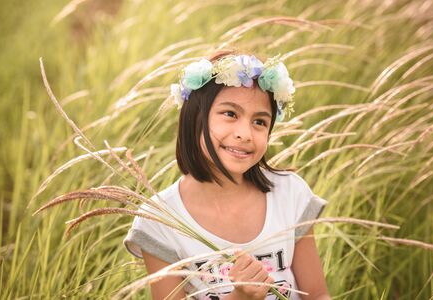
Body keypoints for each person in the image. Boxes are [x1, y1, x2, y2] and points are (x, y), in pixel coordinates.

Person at [124, 50, 331, 300]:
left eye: (260, 122)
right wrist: (240, 297)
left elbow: (317, 295)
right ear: (195, 118)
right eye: (230, 114)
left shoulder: (289, 194)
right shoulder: (161, 219)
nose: (245, 133)